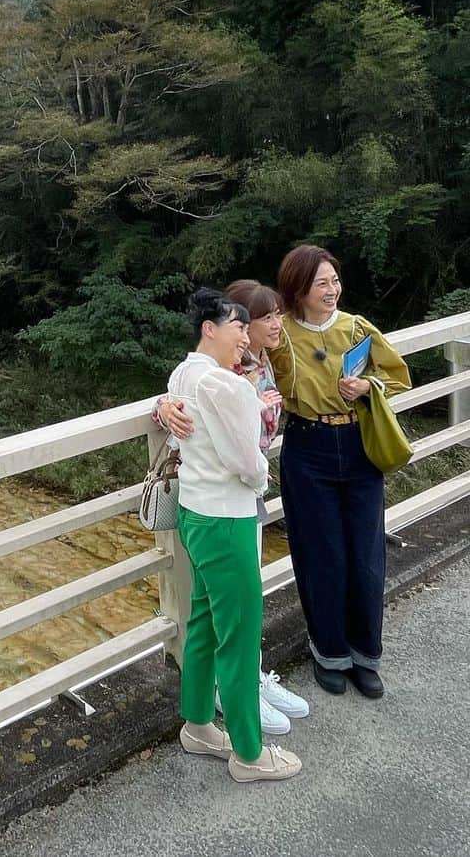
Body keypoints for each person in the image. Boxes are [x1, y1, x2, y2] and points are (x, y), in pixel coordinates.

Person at [156, 280, 311, 734]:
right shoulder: (228, 382)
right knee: (240, 630)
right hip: (229, 516)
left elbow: (182, 426)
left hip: (196, 512)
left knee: (203, 622)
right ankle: (249, 749)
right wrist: (261, 474)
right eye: (241, 326)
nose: (248, 334)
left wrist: (168, 407)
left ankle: (198, 725)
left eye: (255, 324)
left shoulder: (184, 373)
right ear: (210, 328)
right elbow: (247, 463)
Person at [271, 245, 410, 698]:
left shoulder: (356, 328)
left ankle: (366, 655)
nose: (332, 290)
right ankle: (329, 652)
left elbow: (398, 375)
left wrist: (367, 385)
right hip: (307, 447)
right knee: (321, 555)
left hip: (357, 445)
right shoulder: (280, 333)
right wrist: (171, 399)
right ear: (299, 289)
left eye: (334, 281)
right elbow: (237, 368)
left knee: (366, 556)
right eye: (321, 284)